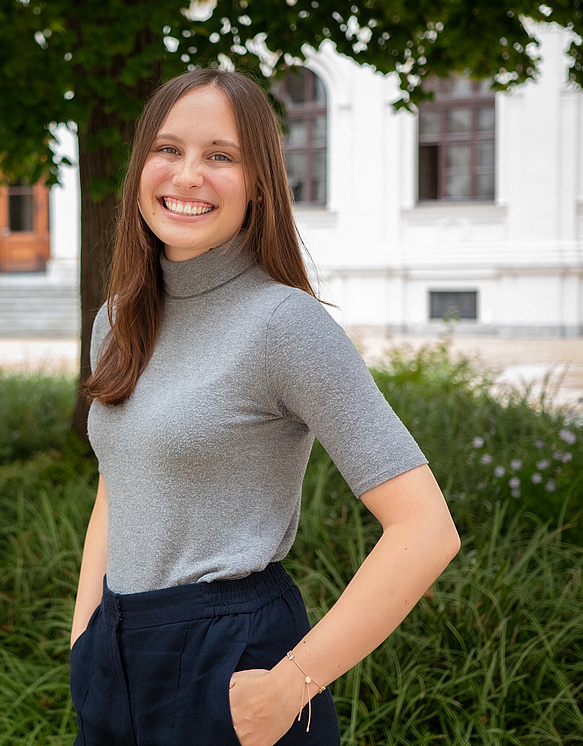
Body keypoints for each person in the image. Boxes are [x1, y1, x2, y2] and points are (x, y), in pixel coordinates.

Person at [70, 68, 460, 746]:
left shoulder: (285, 324)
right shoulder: (117, 321)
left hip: (231, 661)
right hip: (116, 657)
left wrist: (289, 686)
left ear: (259, 184)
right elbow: (119, 481)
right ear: (140, 166)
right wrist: (85, 636)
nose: (188, 175)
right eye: (168, 149)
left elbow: (426, 530)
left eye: (220, 156)